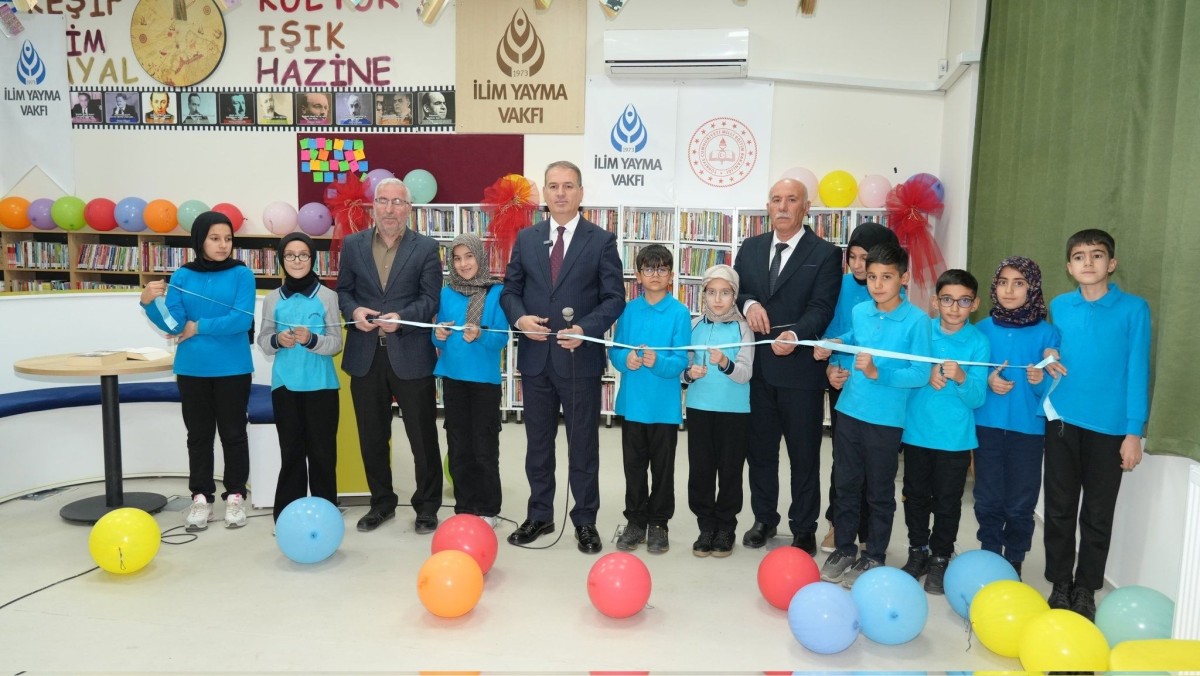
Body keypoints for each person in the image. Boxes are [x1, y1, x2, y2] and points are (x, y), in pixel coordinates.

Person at [500, 160, 625, 554]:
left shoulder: (601, 240)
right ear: (545, 194)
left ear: (581, 193)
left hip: (578, 360)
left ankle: (585, 521)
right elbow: (509, 291)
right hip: (536, 359)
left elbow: (614, 299)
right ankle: (540, 514)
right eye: (553, 186)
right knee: (538, 444)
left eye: (568, 186)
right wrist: (519, 319)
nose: (560, 193)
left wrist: (585, 329)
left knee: (583, 445)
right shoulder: (526, 238)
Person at [1041, 228, 1150, 621]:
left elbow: (1137, 370)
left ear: (1112, 264)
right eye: (1079, 256)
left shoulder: (1134, 310)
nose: (1088, 262)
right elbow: (1052, 349)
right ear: (1069, 267)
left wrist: (1133, 431)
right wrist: (1048, 352)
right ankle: (1059, 582)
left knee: (1098, 513)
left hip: (1110, 430)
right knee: (1059, 507)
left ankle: (1085, 587)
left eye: (1097, 255)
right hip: (1062, 422)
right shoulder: (1060, 305)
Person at [732, 178, 842, 555]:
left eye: (791, 200)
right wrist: (748, 305)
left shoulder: (825, 253)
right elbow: (736, 291)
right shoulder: (750, 248)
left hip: (800, 373)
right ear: (768, 205)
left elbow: (822, 308)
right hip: (757, 371)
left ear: (805, 207)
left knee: (804, 454)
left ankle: (804, 526)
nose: (782, 206)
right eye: (776, 199)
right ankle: (764, 519)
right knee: (760, 452)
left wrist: (796, 334)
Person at [814, 242, 930, 588]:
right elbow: (854, 338)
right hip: (849, 410)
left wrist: (882, 374)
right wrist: (834, 346)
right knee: (845, 484)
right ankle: (846, 548)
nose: (878, 284)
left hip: (885, 420)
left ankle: (874, 555)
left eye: (887, 277)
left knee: (879, 491)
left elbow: (920, 374)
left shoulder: (917, 322)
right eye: (873, 277)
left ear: (904, 278)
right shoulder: (862, 311)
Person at [336, 177, 443, 535]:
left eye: (398, 202)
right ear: (374, 206)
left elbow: (431, 298)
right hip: (366, 355)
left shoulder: (426, 248)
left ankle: (427, 506)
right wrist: (355, 312)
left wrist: (404, 319)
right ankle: (381, 503)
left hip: (410, 352)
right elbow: (345, 292)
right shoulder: (351, 245)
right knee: (372, 435)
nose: (390, 209)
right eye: (384, 201)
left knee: (422, 436)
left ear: (409, 209)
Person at [138, 211, 255, 531]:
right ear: (200, 240)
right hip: (192, 369)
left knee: (233, 433)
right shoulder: (183, 275)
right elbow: (174, 324)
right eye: (215, 238)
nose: (223, 245)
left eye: (228, 239)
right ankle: (201, 497)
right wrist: (148, 302)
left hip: (233, 367)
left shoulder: (242, 273)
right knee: (199, 436)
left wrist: (199, 326)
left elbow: (241, 320)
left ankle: (235, 496)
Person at [898, 269, 989, 595]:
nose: (954, 308)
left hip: (955, 439)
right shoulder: (922, 332)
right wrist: (926, 374)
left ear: (974, 304)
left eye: (963, 301)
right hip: (917, 434)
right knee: (916, 496)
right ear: (935, 302)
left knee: (948, 502)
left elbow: (978, 397)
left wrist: (963, 377)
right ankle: (917, 550)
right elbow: (905, 378)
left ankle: (940, 557)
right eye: (947, 300)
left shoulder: (978, 343)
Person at [973, 256, 1059, 580]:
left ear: (1032, 288)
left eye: (1019, 283)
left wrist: (1041, 383)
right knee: (987, 496)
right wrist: (987, 381)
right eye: (1003, 282)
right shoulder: (981, 330)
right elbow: (969, 374)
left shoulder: (1048, 334)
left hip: (1029, 430)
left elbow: (1056, 387)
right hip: (987, 426)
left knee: (1021, 500)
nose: (1009, 290)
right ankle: (990, 554)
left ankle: (1014, 561)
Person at [818, 222, 900, 553]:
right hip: (845, 383)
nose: (857, 265)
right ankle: (839, 523)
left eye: (865, 257)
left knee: (876, 468)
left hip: (882, 393)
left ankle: (869, 531)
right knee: (844, 462)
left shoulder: (892, 294)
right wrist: (831, 368)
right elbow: (834, 333)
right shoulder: (838, 286)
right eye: (851, 256)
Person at [609, 244, 691, 554]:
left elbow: (680, 362)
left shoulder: (680, 313)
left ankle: (659, 523)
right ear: (638, 275)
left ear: (671, 275)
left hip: (664, 409)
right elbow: (615, 350)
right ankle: (635, 520)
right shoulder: (629, 310)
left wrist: (658, 362)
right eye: (648, 269)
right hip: (633, 406)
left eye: (661, 269)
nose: (654, 275)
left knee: (663, 468)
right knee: (633, 467)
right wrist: (625, 359)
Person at [257, 233, 343, 522]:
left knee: (322, 455)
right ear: (282, 259)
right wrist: (278, 340)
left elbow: (336, 343)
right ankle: (286, 517)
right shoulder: (271, 299)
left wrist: (312, 340)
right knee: (291, 453)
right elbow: (263, 340)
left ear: (312, 258)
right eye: (290, 255)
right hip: (285, 387)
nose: (297, 260)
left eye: (303, 254)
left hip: (322, 387)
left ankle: (326, 515)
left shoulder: (328, 296)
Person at [432, 233, 509, 528]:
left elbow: (501, 338)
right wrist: (436, 333)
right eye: (457, 258)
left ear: (481, 257)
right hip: (452, 379)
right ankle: (464, 505)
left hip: (484, 383)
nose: (464, 264)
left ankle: (489, 508)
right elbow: (435, 331)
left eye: (469, 256)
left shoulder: (496, 292)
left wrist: (481, 334)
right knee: (458, 444)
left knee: (484, 445)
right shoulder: (446, 291)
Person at [684, 264, 754, 558]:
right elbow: (682, 370)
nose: (717, 299)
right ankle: (705, 526)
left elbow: (746, 373)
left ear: (734, 295)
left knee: (729, 471)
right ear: (703, 295)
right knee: (700, 470)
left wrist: (725, 364)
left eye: (724, 293)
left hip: (734, 412)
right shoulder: (695, 326)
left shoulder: (743, 328)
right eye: (711, 292)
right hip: (699, 409)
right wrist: (690, 374)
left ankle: (726, 527)